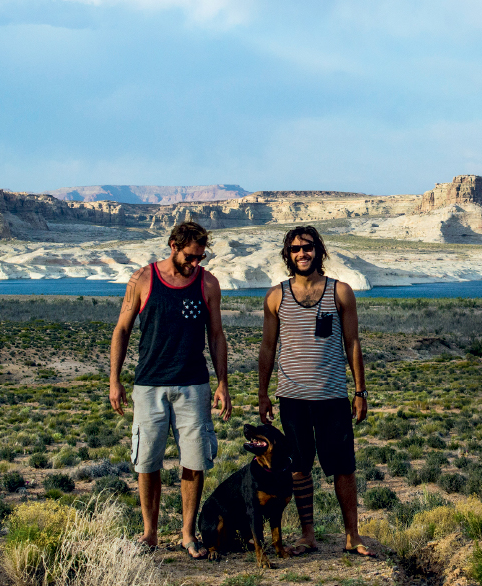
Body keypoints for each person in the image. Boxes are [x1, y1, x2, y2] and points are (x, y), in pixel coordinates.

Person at [110, 221, 231, 559]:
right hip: (149, 384)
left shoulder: (208, 283)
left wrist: (222, 383)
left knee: (194, 460)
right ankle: (149, 533)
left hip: (194, 385)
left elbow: (217, 335)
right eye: (190, 256)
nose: (195, 263)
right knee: (147, 462)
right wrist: (114, 380)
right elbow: (122, 330)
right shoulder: (142, 279)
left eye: (201, 257)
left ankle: (187, 534)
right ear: (173, 246)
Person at [258, 226, 375, 557]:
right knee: (298, 467)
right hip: (292, 396)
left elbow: (352, 343)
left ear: (318, 251)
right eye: (295, 249)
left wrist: (360, 392)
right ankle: (308, 535)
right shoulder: (276, 296)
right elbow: (267, 347)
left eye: (307, 247)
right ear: (288, 254)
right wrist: (263, 393)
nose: (302, 253)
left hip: (332, 395)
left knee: (343, 466)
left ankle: (352, 535)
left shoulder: (341, 292)